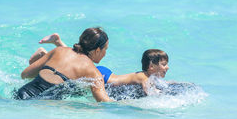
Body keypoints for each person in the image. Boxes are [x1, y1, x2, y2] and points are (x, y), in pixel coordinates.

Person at [29, 33, 170, 97]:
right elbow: (149, 93)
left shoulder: (144, 75)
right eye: (163, 65)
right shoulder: (144, 78)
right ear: (151, 66)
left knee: (76, 66)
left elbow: (163, 84)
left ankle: (56, 44)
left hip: (106, 74)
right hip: (105, 78)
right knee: (75, 78)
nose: (167, 68)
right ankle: (46, 54)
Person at [15, 27, 112, 102]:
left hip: (21, 92)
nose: (105, 54)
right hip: (41, 103)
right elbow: (104, 102)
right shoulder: (93, 72)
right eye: (105, 49)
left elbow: (25, 75)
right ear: (98, 50)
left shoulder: (59, 50)